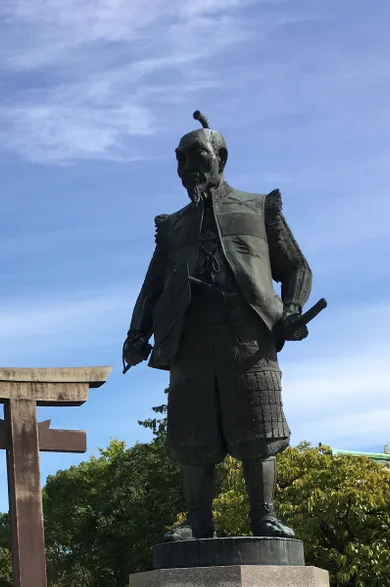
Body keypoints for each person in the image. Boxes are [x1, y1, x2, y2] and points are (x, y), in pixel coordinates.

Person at [123, 110, 315, 540]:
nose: (188, 166)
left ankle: (263, 514)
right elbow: (152, 286)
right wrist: (137, 333)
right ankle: (197, 519)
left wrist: (292, 308)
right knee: (193, 433)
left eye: (198, 154)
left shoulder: (257, 207)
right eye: (180, 158)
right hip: (189, 335)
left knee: (259, 424)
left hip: (247, 333)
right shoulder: (173, 226)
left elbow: (296, 267)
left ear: (221, 157)